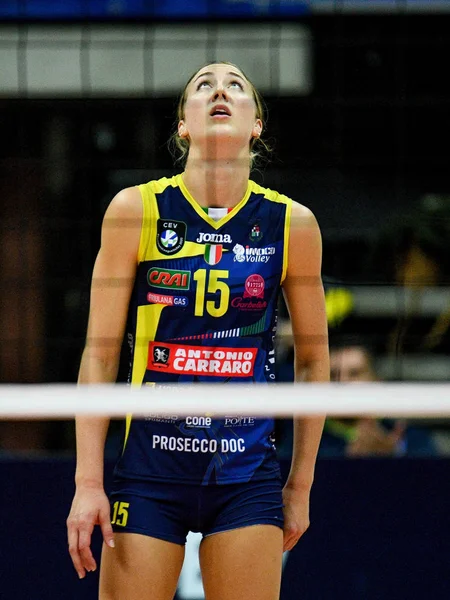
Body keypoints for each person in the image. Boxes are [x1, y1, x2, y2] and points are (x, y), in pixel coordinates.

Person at [66, 62, 329, 600]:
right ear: (182, 125)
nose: (219, 92)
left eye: (236, 86)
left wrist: (298, 485)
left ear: (256, 125)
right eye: (203, 86)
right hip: (150, 469)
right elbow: (99, 354)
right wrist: (87, 482)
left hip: (246, 476)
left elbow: (314, 360)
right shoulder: (134, 210)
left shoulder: (291, 223)